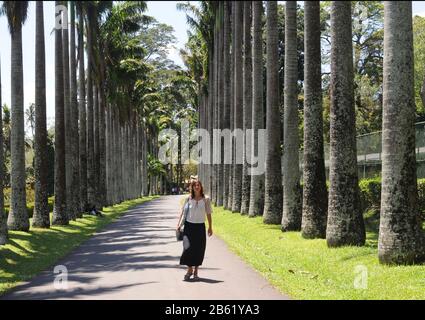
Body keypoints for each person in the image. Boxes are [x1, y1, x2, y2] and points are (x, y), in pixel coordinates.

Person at [176, 180, 213, 281]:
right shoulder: (188, 198)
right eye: (195, 185)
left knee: (199, 249)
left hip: (200, 227)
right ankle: (189, 269)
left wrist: (210, 227)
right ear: (192, 187)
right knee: (187, 249)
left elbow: (209, 214)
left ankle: (196, 270)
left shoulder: (206, 199)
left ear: (201, 187)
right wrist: (179, 224)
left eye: (198, 185)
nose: (197, 187)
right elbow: (183, 212)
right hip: (189, 227)